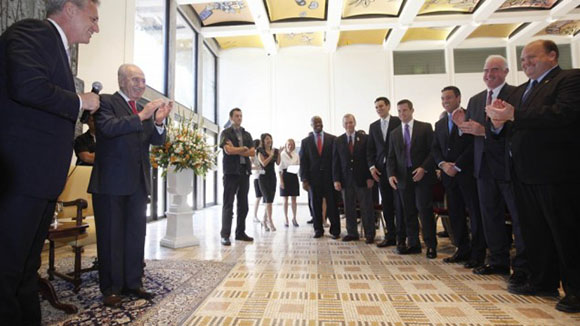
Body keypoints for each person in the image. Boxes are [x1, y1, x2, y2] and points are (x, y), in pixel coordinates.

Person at [0, 0, 100, 324]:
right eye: (93, 18)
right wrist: (79, 100)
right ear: (71, 8)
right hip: (20, 177)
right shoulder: (33, 32)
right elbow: (27, 87)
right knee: (7, 270)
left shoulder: (57, 48)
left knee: (27, 270)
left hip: (39, 180)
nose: (96, 27)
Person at [486, 40, 580, 312]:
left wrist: (513, 114)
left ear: (552, 55)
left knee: (565, 234)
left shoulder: (569, 79)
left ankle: (575, 289)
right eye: (523, 60)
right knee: (535, 233)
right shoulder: (521, 91)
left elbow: (564, 114)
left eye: (530, 58)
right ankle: (543, 281)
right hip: (523, 174)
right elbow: (509, 128)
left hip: (556, 173)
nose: (525, 64)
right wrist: (496, 124)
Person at [88, 64, 172, 307]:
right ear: (122, 81)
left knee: (136, 234)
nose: (141, 85)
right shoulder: (105, 102)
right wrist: (142, 116)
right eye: (136, 80)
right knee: (111, 237)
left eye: (144, 81)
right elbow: (108, 129)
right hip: (111, 183)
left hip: (138, 183)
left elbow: (156, 141)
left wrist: (158, 121)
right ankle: (111, 288)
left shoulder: (142, 109)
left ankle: (133, 283)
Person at [455, 55, 527, 282]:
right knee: (489, 215)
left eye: (495, 70)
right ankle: (498, 261)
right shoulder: (476, 100)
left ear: (506, 72)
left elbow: (519, 130)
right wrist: (463, 128)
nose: (489, 74)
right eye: (486, 70)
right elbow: (471, 133)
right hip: (482, 167)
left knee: (519, 218)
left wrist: (483, 131)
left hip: (509, 166)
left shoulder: (517, 95)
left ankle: (523, 266)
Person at [432, 86, 485, 266]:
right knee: (455, 214)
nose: (445, 101)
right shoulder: (439, 124)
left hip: (466, 174)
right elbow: (435, 148)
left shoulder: (469, 117)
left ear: (458, 98)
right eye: (442, 98)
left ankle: (478, 254)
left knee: (474, 214)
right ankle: (462, 249)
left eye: (448, 98)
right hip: (448, 175)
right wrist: (443, 164)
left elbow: (473, 144)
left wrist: (458, 165)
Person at [387, 99, 437, 259]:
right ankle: (414, 244)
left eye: (405, 110)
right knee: (408, 212)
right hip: (403, 178)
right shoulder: (394, 133)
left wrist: (424, 168)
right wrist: (391, 174)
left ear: (412, 110)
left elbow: (433, 151)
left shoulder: (425, 127)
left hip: (421, 175)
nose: (402, 114)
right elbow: (391, 157)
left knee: (424, 210)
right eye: (399, 111)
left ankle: (431, 245)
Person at [367, 97, 404, 248]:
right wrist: (371, 167)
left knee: (400, 205)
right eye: (376, 107)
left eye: (381, 106)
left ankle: (403, 236)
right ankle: (391, 236)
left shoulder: (398, 121)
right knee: (387, 205)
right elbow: (370, 149)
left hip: (397, 170)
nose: (379, 109)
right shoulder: (373, 126)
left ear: (388, 106)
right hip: (381, 172)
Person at [333, 114, 375, 243]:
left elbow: (369, 158)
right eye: (346, 123)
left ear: (355, 123)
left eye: (350, 122)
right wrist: (336, 179)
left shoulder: (365, 138)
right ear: (343, 125)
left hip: (363, 179)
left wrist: (370, 177)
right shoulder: (338, 140)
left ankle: (369, 234)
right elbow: (336, 162)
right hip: (346, 181)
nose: (349, 125)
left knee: (366, 207)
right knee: (349, 208)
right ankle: (352, 233)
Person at [299, 116, 340, 239]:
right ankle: (318, 230)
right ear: (311, 125)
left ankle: (335, 230)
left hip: (330, 179)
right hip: (313, 180)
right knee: (315, 206)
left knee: (332, 205)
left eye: (320, 122)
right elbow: (304, 162)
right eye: (315, 123)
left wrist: (337, 178)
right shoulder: (305, 142)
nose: (318, 124)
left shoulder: (332, 139)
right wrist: (304, 179)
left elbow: (336, 160)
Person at [219, 108, 255, 246]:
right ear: (231, 117)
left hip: (244, 172)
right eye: (237, 116)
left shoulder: (247, 134)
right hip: (230, 173)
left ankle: (240, 233)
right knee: (228, 204)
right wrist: (243, 149)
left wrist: (238, 150)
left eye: (241, 115)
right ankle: (225, 235)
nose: (239, 118)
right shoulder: (225, 133)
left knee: (243, 205)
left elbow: (252, 152)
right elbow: (228, 150)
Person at [257, 133, 280, 231]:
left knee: (269, 201)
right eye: (266, 139)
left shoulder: (275, 151)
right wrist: (271, 155)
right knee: (268, 200)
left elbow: (278, 163)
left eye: (270, 138)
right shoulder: (260, 151)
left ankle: (263, 221)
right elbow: (264, 163)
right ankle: (270, 221)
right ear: (263, 141)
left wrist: (278, 154)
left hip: (272, 177)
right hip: (263, 178)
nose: (269, 140)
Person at [279, 138, 300, 227]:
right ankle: (286, 218)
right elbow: (279, 169)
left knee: (294, 199)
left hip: (294, 177)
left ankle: (294, 218)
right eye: (288, 144)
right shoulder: (282, 154)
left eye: (292, 144)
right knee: (285, 199)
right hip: (285, 177)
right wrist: (281, 181)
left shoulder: (296, 155)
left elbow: (299, 166)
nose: (290, 146)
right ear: (286, 145)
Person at [250, 139, 265, 223]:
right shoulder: (253, 153)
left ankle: (264, 216)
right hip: (257, 177)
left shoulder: (261, 153)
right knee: (258, 197)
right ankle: (254, 216)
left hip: (263, 176)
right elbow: (249, 166)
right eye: (260, 144)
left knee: (263, 198)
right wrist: (257, 168)